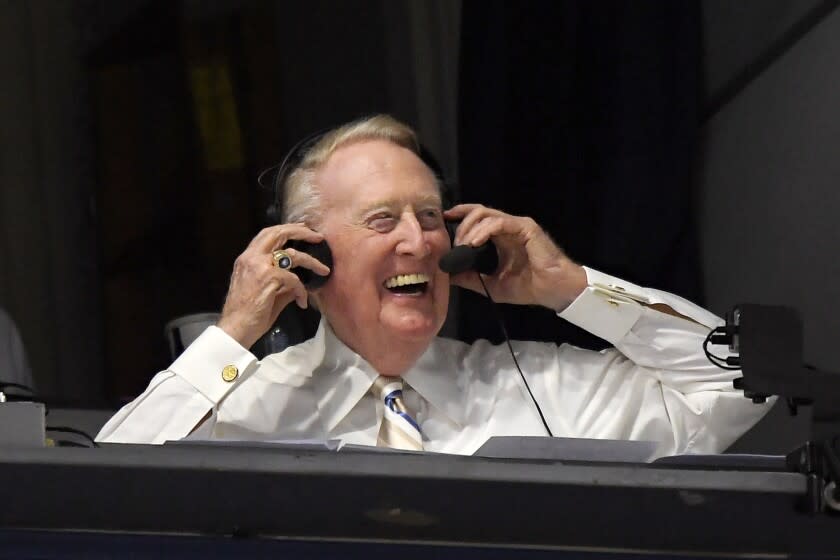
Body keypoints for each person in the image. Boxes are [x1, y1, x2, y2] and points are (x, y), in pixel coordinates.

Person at [97, 115, 771, 456]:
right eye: (382, 220)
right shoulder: (250, 409)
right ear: (309, 252)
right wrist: (234, 333)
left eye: (428, 216)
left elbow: (745, 381)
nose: (418, 241)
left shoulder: (541, 385)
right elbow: (97, 493)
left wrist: (572, 288)